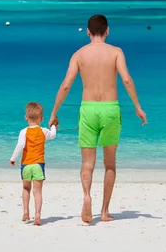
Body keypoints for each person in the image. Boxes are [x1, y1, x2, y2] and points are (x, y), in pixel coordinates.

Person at [49, 14, 147, 225]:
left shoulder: (79, 54)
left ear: (87, 31)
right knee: (110, 163)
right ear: (107, 31)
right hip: (110, 109)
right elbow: (127, 80)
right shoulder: (116, 52)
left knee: (87, 162)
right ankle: (104, 211)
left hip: (88, 109)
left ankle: (86, 196)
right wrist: (137, 107)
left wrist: (53, 112)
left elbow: (66, 85)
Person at [10, 102, 58, 226]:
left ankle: (26, 212)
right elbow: (52, 135)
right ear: (41, 119)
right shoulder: (43, 131)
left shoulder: (23, 132)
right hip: (38, 165)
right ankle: (37, 214)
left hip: (26, 165)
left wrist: (13, 158)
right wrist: (53, 125)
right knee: (38, 191)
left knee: (26, 188)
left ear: (26, 117)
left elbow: (20, 145)